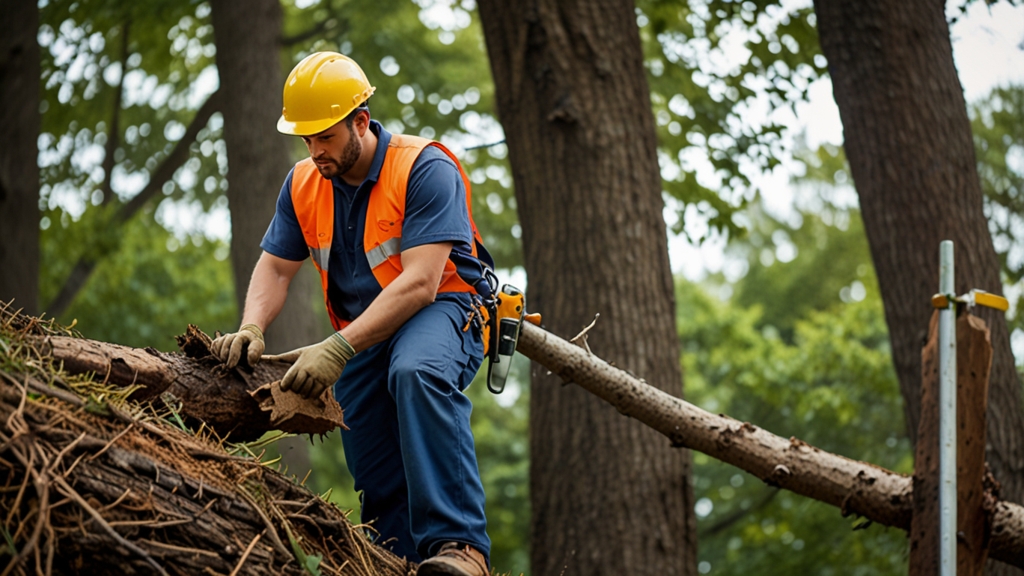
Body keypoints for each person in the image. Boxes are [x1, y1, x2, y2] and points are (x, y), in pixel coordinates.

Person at [210, 51, 493, 576]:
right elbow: (274, 270)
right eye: (307, 139)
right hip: (364, 332)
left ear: (361, 121)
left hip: (444, 309)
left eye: (326, 137)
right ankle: (394, 561)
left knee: (418, 371)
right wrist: (252, 326)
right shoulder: (301, 184)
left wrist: (337, 348)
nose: (316, 151)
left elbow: (420, 282)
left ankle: (461, 550)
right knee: (365, 433)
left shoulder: (425, 167)